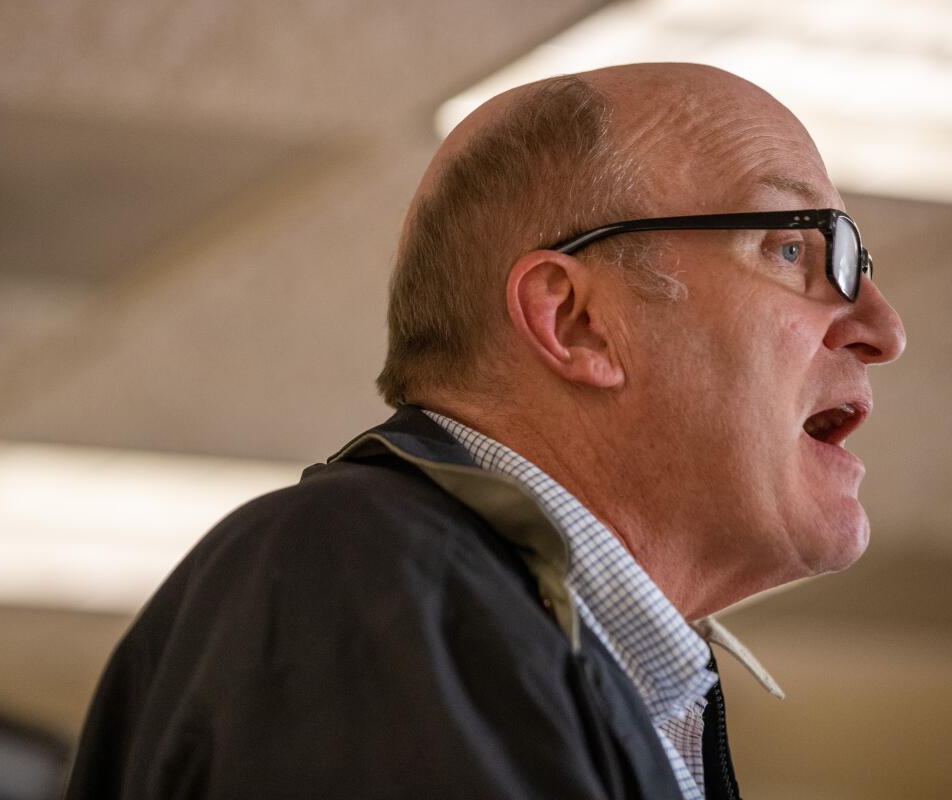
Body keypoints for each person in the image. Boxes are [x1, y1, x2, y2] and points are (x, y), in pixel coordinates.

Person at [65, 62, 906, 799]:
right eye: (794, 249)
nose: (881, 326)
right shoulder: (366, 585)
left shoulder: (500, 635)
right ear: (576, 321)